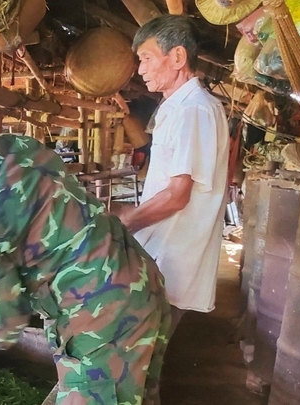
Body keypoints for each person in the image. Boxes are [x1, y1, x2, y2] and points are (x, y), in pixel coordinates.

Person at [0, 98, 170, 405]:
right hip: (140, 281)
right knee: (139, 396)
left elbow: (8, 314)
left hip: (100, 315)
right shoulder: (17, 146)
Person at [118, 15, 230, 336]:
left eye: (147, 59)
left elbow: (178, 194)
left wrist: (127, 222)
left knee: (144, 352)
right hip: (163, 249)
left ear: (178, 57)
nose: (141, 70)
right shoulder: (180, 108)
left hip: (172, 255)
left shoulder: (194, 110)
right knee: (144, 353)